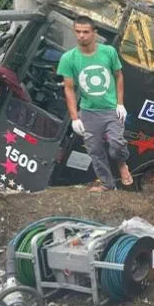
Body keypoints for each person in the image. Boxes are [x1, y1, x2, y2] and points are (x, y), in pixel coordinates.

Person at [58, 15, 133, 191]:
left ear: (94, 33)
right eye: (78, 31)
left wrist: (120, 103)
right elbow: (68, 89)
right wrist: (75, 117)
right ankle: (108, 185)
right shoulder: (68, 58)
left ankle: (122, 164)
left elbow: (118, 75)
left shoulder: (108, 52)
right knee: (95, 151)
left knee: (116, 144)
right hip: (88, 112)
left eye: (85, 32)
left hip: (110, 109)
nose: (81, 35)